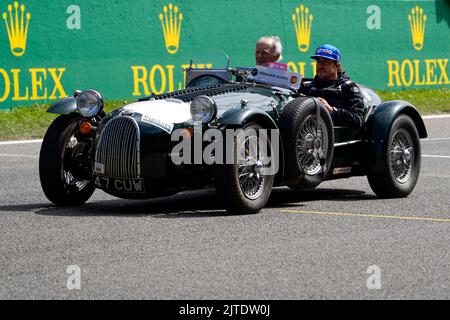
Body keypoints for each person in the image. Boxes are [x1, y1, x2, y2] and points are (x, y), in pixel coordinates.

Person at [300, 44, 365, 128]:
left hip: (330, 138)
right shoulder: (306, 86)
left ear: (337, 66)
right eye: (318, 61)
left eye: (325, 62)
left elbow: (358, 120)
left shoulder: (348, 87)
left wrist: (331, 110)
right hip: (302, 133)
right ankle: (275, 141)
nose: (320, 66)